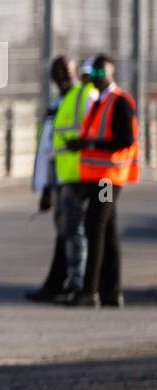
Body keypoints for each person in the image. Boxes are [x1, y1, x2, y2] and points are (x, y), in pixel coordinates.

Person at [60, 54, 140, 307]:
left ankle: (90, 291)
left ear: (110, 73)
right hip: (96, 177)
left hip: (108, 179)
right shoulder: (98, 102)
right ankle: (111, 291)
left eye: (99, 73)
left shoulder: (120, 101)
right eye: (92, 73)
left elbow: (125, 140)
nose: (94, 78)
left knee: (95, 226)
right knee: (107, 229)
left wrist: (89, 143)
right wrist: (82, 144)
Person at [26, 56, 95, 302]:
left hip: (78, 175)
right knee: (64, 231)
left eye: (66, 70)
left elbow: (95, 134)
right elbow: (47, 146)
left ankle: (79, 284)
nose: (61, 75)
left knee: (75, 230)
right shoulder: (56, 103)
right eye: (56, 71)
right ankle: (63, 282)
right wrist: (45, 189)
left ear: (76, 71)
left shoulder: (85, 96)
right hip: (59, 176)